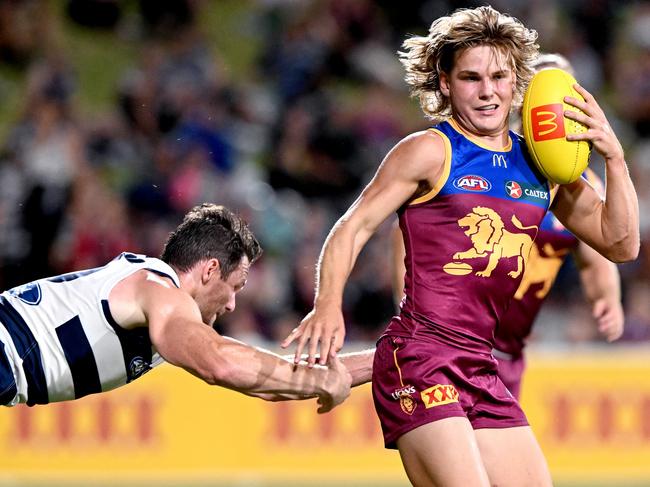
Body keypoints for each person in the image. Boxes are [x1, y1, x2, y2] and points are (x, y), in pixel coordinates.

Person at [282, 6, 639, 486]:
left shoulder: (544, 168)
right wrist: (327, 305)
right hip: (420, 358)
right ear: (446, 84)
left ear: (517, 82)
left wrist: (615, 158)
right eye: (471, 77)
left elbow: (621, 244)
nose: (487, 91)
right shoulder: (430, 150)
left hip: (481, 365)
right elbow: (352, 226)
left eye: (498, 76)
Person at [389, 53, 625, 400]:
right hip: (451, 343)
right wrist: (404, 299)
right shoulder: (485, 160)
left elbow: (595, 252)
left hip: (509, 354)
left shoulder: (578, 183)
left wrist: (608, 295)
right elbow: (407, 230)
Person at [0, 203, 352, 413]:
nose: (231, 304)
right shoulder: (161, 293)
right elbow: (221, 363)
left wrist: (395, 359)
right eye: (234, 288)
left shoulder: (157, 300)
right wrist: (318, 380)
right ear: (211, 269)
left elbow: (266, 385)